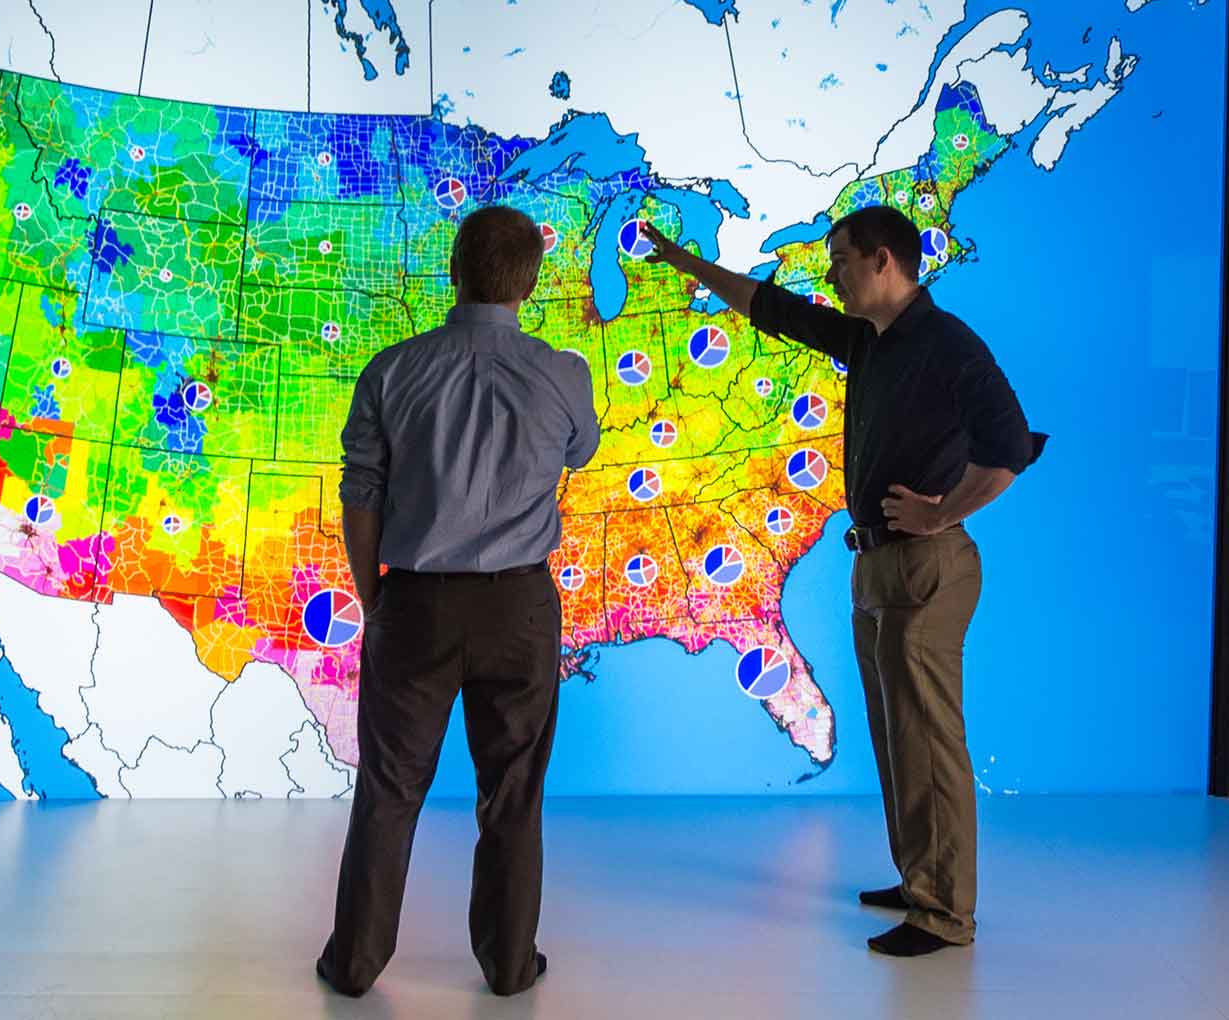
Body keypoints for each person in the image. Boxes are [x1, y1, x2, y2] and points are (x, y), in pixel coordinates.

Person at [640, 209, 1043, 957]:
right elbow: (775, 311)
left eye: (841, 259)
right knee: (896, 739)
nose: (831, 274)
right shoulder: (870, 340)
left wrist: (941, 513)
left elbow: (1011, 447)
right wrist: (689, 267)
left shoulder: (950, 345)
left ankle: (945, 913)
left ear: (883, 260)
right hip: (876, 567)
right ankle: (919, 877)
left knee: (929, 741)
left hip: (929, 567)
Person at [316, 205, 601, 997]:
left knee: (389, 790)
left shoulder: (392, 369)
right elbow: (580, 450)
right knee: (512, 796)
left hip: (414, 602)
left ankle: (354, 966)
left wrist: (375, 595)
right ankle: (510, 968)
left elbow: (362, 488)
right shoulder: (565, 374)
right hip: (519, 608)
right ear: (532, 281)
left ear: (453, 269)